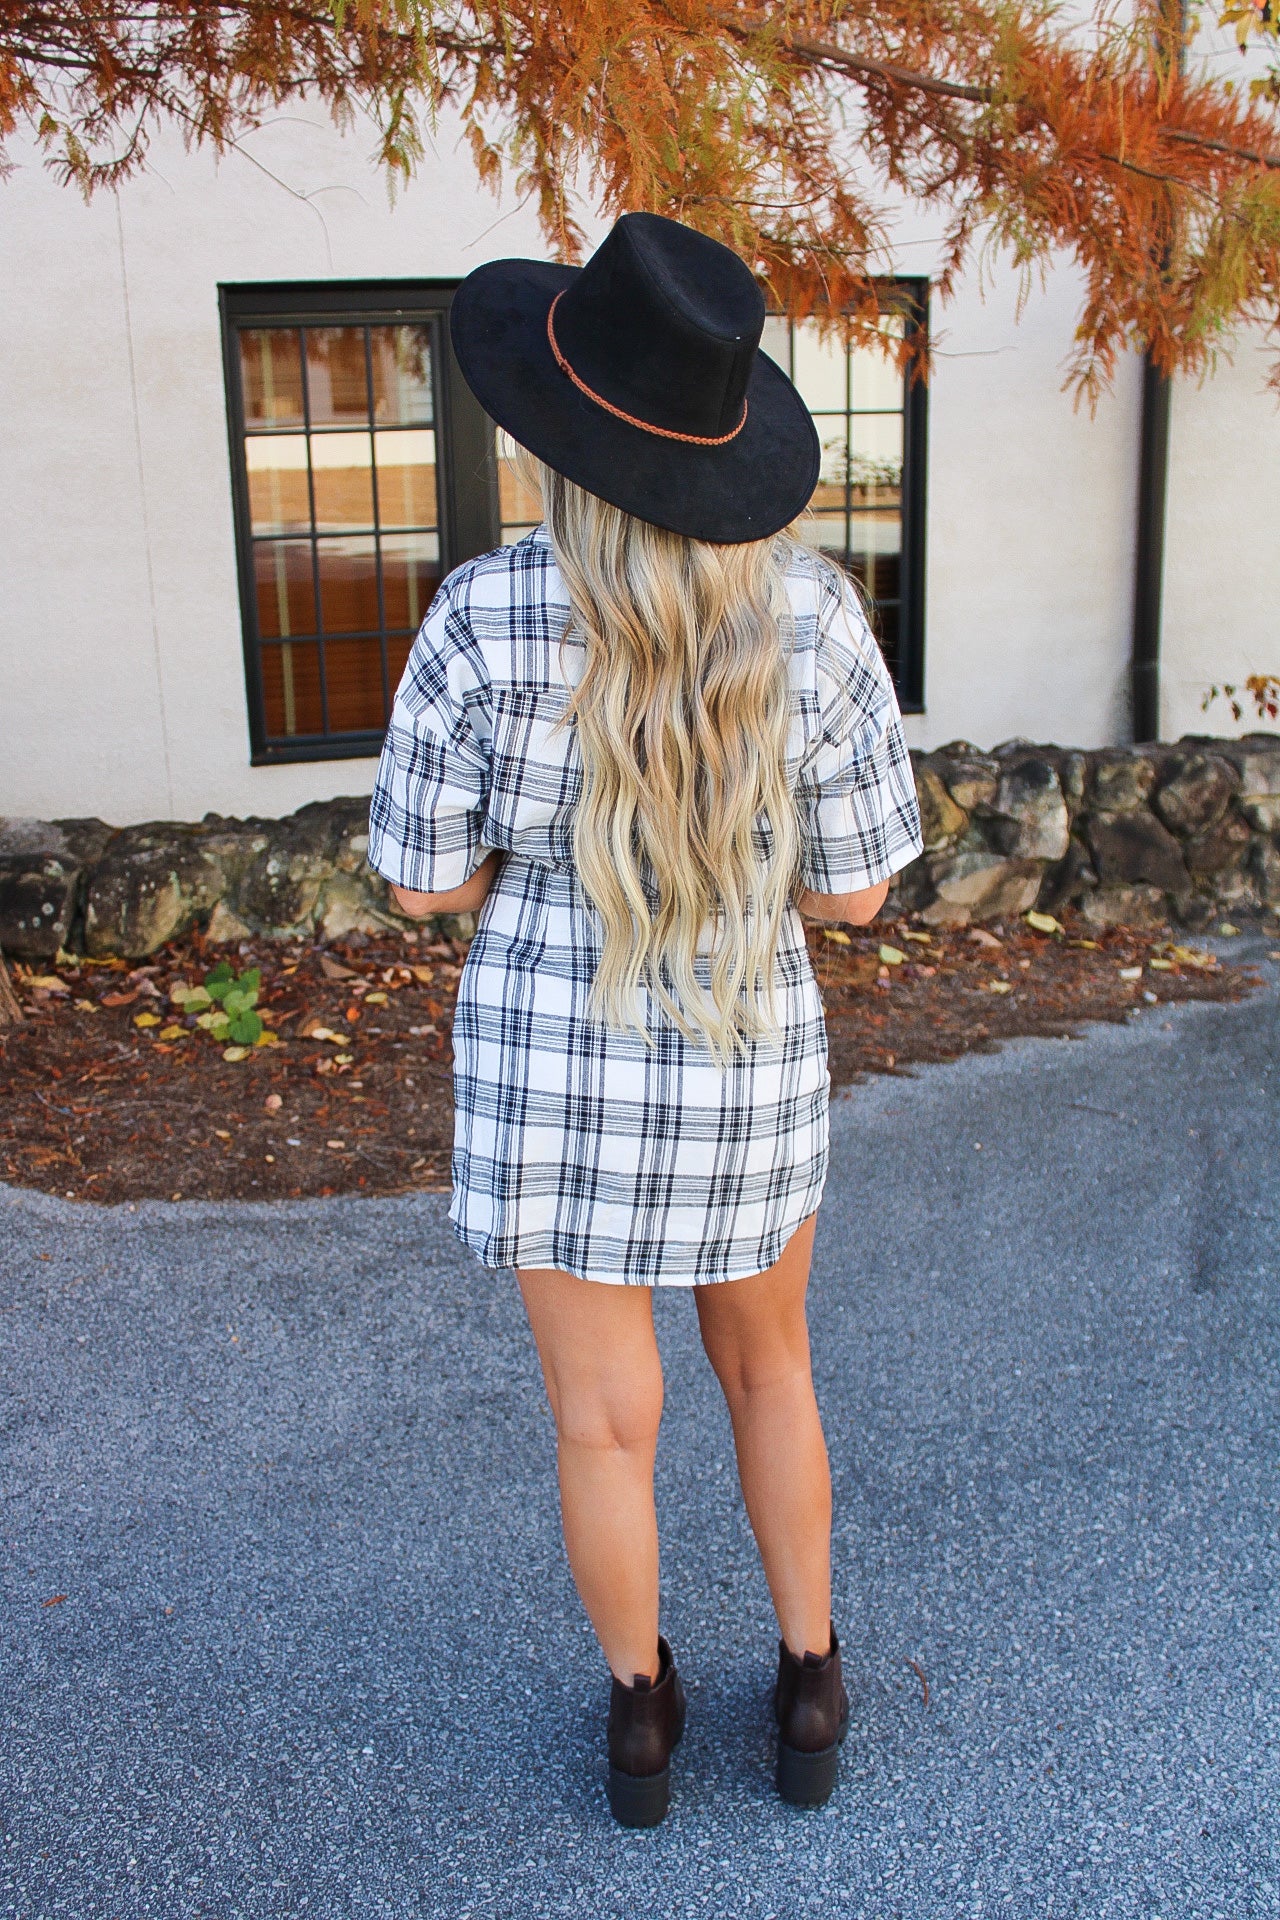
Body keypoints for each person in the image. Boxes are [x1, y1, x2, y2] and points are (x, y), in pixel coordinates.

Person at [367, 211, 923, 1827]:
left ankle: (639, 1720)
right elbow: (858, 898)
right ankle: (809, 1685)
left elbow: (419, 885)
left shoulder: (483, 616)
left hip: (554, 1067)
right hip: (746, 1055)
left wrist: (529, 862)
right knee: (771, 1372)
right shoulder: (815, 616)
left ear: (561, 434)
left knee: (604, 1426)